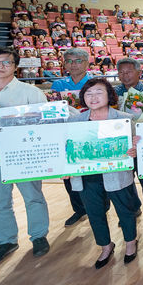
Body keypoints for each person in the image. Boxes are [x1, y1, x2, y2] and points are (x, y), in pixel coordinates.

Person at [0, 46, 50, 266]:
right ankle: (6, 241)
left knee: (33, 197)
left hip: (24, 158)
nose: (0, 66)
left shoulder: (31, 93)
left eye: (6, 62)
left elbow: (47, 124)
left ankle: (39, 236)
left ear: (15, 66)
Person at [68, 78, 139, 269]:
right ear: (83, 97)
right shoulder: (74, 121)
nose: (93, 97)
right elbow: (68, 150)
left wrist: (134, 150)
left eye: (99, 92)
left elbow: (135, 146)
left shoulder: (124, 119)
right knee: (95, 213)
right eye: (88, 93)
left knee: (125, 210)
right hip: (86, 177)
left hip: (116, 173)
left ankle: (131, 243)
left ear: (109, 95)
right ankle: (106, 246)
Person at [114, 58, 143, 225]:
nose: (124, 75)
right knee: (126, 177)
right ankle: (134, 208)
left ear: (138, 73)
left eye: (129, 72)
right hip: (121, 142)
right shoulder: (114, 92)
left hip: (142, 140)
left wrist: (139, 126)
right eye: (121, 72)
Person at [51, 48, 93, 227]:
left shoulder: (95, 82)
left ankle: (99, 206)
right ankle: (79, 209)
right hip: (66, 134)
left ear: (86, 63)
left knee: (92, 173)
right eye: (69, 61)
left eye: (77, 61)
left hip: (90, 132)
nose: (73, 65)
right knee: (68, 174)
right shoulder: (58, 85)